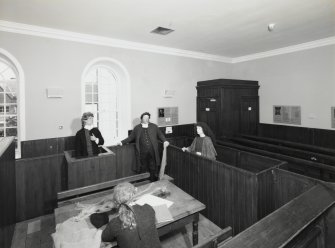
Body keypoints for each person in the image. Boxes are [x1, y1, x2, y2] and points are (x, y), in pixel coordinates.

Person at [91, 182, 162, 248]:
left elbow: (104, 237)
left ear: (115, 202)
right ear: (134, 195)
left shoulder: (115, 223)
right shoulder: (148, 208)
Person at [118, 112, 169, 181]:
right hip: (142, 152)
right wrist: (122, 142)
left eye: (147, 118)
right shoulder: (137, 128)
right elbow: (131, 137)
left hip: (153, 151)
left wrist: (165, 141)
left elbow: (160, 134)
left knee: (153, 166)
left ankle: (152, 180)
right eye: (145, 118)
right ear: (141, 118)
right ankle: (143, 181)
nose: (146, 119)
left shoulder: (154, 126)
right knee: (143, 167)